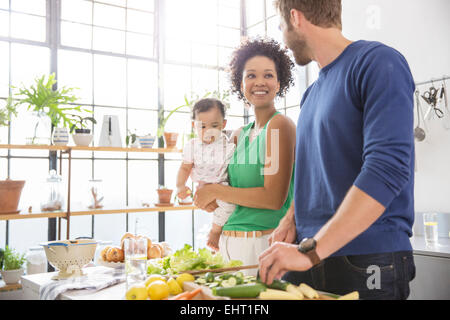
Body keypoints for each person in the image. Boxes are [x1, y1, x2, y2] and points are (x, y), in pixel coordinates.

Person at [258, 0, 416, 300]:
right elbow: (310, 171)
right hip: (310, 254)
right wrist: (292, 219)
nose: (283, 38)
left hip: (367, 258)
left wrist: (311, 251)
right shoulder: (311, 94)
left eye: (281, 27)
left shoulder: (378, 62)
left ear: (295, 18)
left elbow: (387, 170)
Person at [193, 38, 297, 275]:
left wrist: (216, 192)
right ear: (241, 84)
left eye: (268, 75)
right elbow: (227, 190)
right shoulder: (239, 135)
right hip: (228, 246)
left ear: (279, 83)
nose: (259, 82)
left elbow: (272, 199)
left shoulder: (279, 126)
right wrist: (206, 196)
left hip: (262, 245)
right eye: (251, 75)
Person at [176, 98, 236, 252]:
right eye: (202, 126)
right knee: (214, 208)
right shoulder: (193, 146)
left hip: (222, 186)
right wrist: (180, 185)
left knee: (229, 206)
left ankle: (215, 231)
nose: (208, 130)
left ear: (223, 125)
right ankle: (216, 234)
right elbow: (185, 168)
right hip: (201, 186)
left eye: (214, 126)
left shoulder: (227, 143)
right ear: (193, 126)